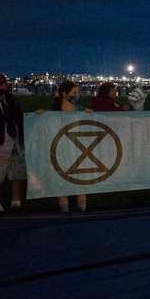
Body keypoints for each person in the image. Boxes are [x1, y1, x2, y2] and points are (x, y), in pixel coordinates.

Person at [0, 73, 27, 212]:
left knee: (18, 174)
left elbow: (19, 118)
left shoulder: (11, 99)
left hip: (15, 144)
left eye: (0, 84)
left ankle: (16, 202)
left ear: (5, 85)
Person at [51, 81, 93, 212]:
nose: (77, 95)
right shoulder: (53, 111)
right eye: (74, 93)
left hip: (77, 150)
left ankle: (82, 211)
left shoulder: (80, 109)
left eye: (78, 93)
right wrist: (38, 115)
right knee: (62, 180)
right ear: (65, 94)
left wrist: (90, 114)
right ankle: (65, 212)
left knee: (80, 181)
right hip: (61, 150)